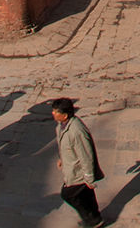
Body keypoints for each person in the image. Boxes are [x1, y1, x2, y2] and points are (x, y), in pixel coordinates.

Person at [51, 97, 105, 227]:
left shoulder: (76, 131)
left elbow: (86, 155)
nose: (53, 113)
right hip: (71, 166)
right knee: (86, 194)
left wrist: (89, 177)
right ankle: (96, 218)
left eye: (56, 111)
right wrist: (62, 159)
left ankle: (92, 220)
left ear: (65, 115)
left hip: (78, 172)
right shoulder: (61, 127)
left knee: (68, 194)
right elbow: (65, 146)